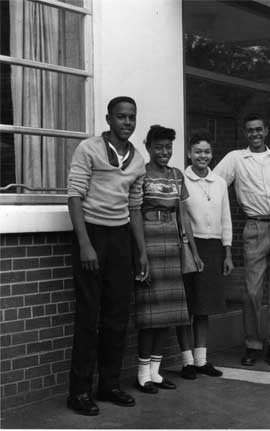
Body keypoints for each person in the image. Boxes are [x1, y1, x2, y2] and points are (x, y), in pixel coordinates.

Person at [66, 96, 147, 415]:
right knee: (89, 316)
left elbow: (135, 207)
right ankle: (78, 392)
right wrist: (85, 243)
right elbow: (74, 196)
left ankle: (109, 384)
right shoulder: (88, 149)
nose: (127, 122)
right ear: (109, 119)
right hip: (92, 234)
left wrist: (141, 252)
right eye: (121, 117)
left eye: (132, 117)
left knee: (117, 317)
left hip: (121, 239)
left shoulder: (137, 159)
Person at [214, 113, 270, 367]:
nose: (254, 134)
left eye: (258, 130)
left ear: (266, 131)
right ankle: (252, 343)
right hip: (254, 227)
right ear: (245, 133)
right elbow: (215, 184)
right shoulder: (235, 159)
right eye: (250, 130)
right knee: (252, 291)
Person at [134, 125, 201, 394]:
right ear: (148, 147)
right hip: (149, 241)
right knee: (150, 313)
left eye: (168, 147)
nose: (164, 152)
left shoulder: (177, 176)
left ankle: (155, 372)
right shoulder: (141, 175)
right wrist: (140, 253)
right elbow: (134, 212)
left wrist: (193, 250)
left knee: (169, 312)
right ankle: (142, 374)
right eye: (159, 147)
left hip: (172, 243)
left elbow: (183, 215)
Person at [176, 131, 234, 379]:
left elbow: (226, 218)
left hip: (213, 248)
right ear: (189, 153)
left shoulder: (219, 182)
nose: (203, 156)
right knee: (187, 306)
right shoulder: (181, 179)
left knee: (204, 307)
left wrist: (228, 252)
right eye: (198, 151)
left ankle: (202, 360)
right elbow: (181, 218)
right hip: (190, 246)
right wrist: (189, 247)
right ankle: (187, 362)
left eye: (207, 151)